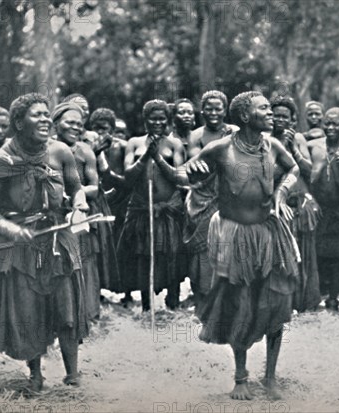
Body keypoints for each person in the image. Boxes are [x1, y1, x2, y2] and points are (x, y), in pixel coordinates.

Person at [186, 91, 299, 400]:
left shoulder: (273, 145)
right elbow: (188, 173)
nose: (271, 112)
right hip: (234, 235)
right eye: (264, 108)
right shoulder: (221, 148)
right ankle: (240, 377)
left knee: (276, 302)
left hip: (268, 233)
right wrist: (191, 171)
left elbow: (293, 170)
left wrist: (282, 194)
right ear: (246, 116)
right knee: (241, 304)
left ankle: (271, 376)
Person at [0, 93, 89, 390]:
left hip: (57, 239)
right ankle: (36, 374)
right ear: (18, 123)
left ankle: (73, 372)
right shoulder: (3, 160)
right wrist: (10, 229)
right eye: (36, 115)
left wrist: (80, 207)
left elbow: (76, 188)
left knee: (65, 306)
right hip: (21, 244)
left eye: (46, 114)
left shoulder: (61, 151)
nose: (44, 120)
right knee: (28, 309)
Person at [118, 100, 186, 311]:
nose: (157, 122)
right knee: (142, 255)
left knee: (172, 253)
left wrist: (158, 157)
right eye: (152, 118)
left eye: (161, 119)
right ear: (145, 120)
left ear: (167, 121)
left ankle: (173, 302)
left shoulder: (175, 144)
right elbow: (128, 176)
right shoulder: (134, 143)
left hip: (168, 208)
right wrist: (146, 156)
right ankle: (147, 306)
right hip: (141, 207)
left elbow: (180, 177)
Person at [184, 91, 237, 306]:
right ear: (202, 111)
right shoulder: (195, 135)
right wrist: (224, 144)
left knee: (229, 246)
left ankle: (227, 300)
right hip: (202, 197)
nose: (214, 113)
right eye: (209, 109)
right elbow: (199, 165)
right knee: (203, 250)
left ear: (225, 111)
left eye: (218, 109)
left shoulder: (236, 131)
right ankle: (203, 299)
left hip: (229, 197)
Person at [52, 102, 102, 321]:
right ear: (55, 124)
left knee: (84, 260)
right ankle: (61, 315)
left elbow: (94, 186)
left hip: (79, 214)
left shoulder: (85, 151)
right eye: (69, 122)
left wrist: (74, 193)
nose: (75, 127)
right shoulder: (45, 149)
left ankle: (86, 312)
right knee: (58, 263)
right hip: (52, 217)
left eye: (79, 124)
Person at [271, 95, 320, 312]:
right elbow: (267, 173)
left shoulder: (298, 139)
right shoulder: (265, 140)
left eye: (285, 117)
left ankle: (303, 301)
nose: (280, 120)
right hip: (277, 204)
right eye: (276, 116)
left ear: (293, 120)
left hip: (300, 203)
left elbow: (311, 172)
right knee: (281, 254)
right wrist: (281, 147)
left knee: (304, 253)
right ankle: (283, 301)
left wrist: (294, 150)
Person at [308, 107, 339, 311]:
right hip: (321, 207)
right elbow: (305, 173)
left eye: (335, 124)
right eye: (327, 123)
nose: (330, 127)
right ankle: (322, 295)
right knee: (319, 251)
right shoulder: (314, 147)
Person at [88, 108, 122, 294]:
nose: (100, 133)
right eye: (96, 128)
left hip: (119, 200)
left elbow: (123, 176)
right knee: (99, 245)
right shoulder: (87, 145)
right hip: (99, 201)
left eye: (104, 128)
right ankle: (98, 289)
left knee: (117, 244)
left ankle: (121, 289)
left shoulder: (120, 147)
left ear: (112, 128)